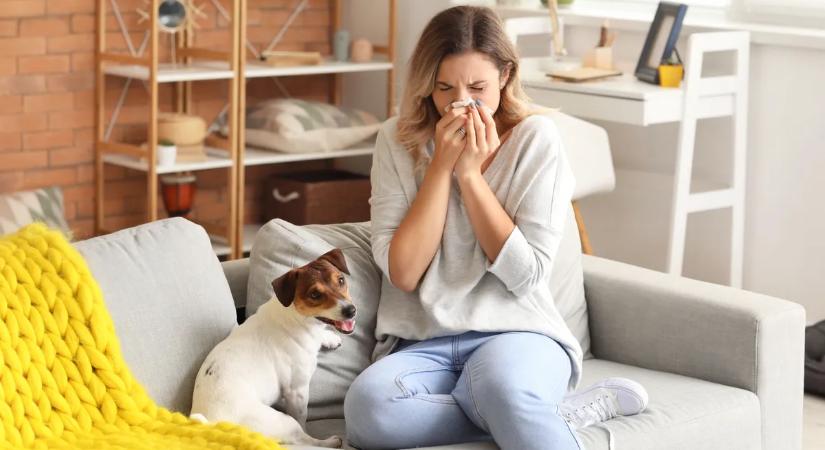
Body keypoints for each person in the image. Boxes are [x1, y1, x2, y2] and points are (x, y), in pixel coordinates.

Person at [344, 6, 646, 450]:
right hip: (420, 341)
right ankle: (545, 413)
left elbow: (525, 276)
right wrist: (440, 169)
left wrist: (469, 177)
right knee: (370, 413)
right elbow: (404, 272)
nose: (460, 103)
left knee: (502, 389)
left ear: (505, 76)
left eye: (478, 88)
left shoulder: (535, 139)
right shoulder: (397, 140)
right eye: (444, 88)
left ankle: (517, 406)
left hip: (518, 332)